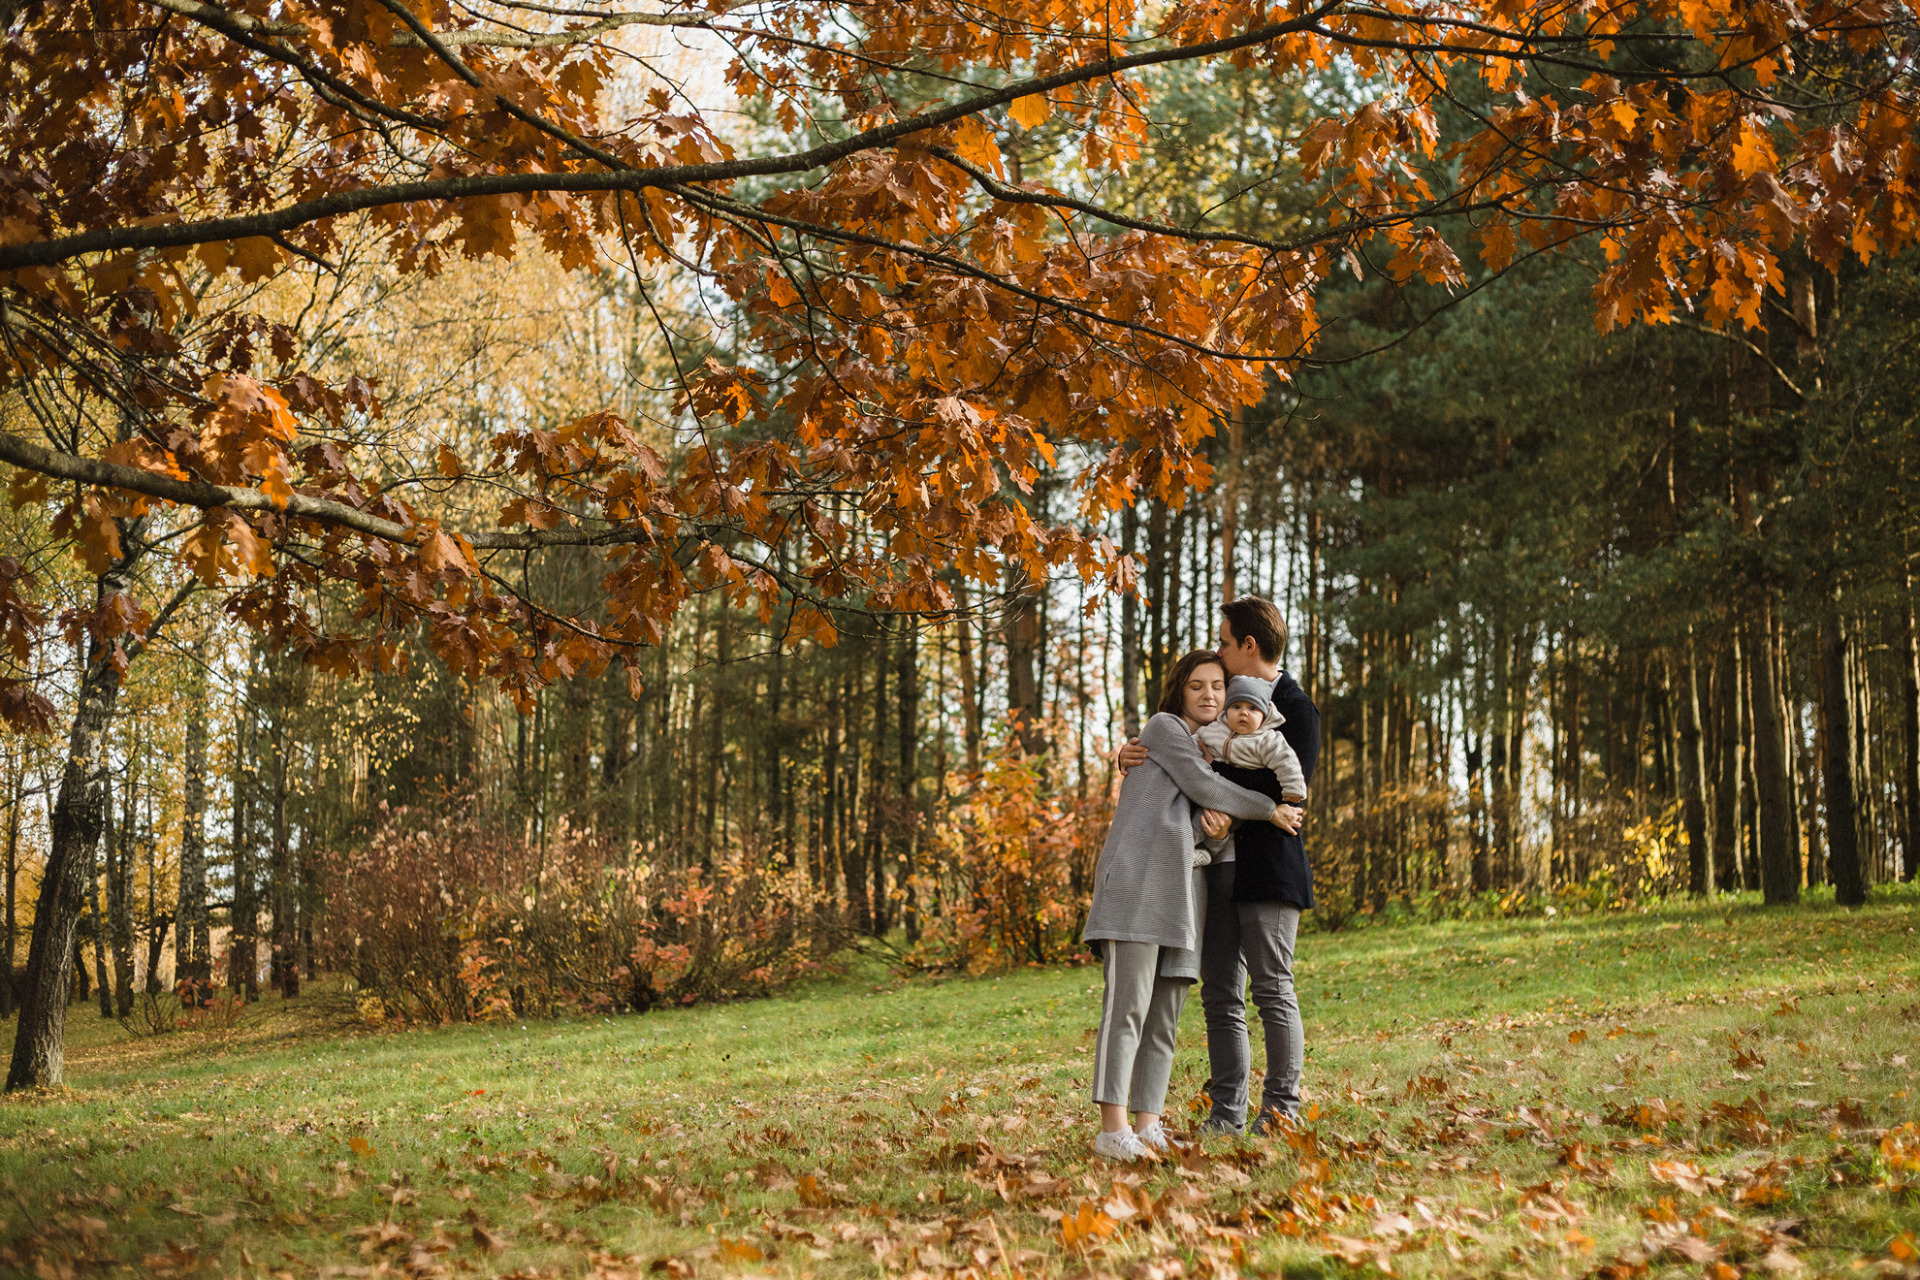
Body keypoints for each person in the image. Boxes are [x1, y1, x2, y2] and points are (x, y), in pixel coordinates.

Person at [1081, 650, 1301, 1162]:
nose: (1209, 695)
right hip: (1137, 886)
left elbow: (1210, 823)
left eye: (1219, 686)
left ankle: (1148, 1124)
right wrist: (1270, 810)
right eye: (1198, 685)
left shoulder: (1220, 752)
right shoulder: (1162, 728)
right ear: (1180, 690)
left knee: (1165, 1016)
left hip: (1185, 896)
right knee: (1128, 1010)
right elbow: (1203, 787)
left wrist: (1224, 826)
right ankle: (1112, 1131)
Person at [1116, 597, 1319, 1136]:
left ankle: (1280, 1111)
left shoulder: (1295, 708)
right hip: (1219, 870)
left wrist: (1218, 798)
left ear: (1247, 646)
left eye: (1226, 642)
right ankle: (1227, 1113)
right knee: (1220, 992)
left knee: (1272, 987)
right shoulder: (1223, 704)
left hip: (1270, 870)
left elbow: (1285, 792)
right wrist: (1133, 753)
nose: (1220, 653)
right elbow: (1181, 746)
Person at [1194, 675, 1308, 811]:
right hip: (1209, 789)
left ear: (1264, 715)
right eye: (1236, 706)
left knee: (1208, 820)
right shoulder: (1215, 729)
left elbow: (1287, 762)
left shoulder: (1268, 740)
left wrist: (1293, 788)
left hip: (1243, 799)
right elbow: (1195, 741)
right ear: (1226, 710)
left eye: (1252, 708)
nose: (1243, 713)